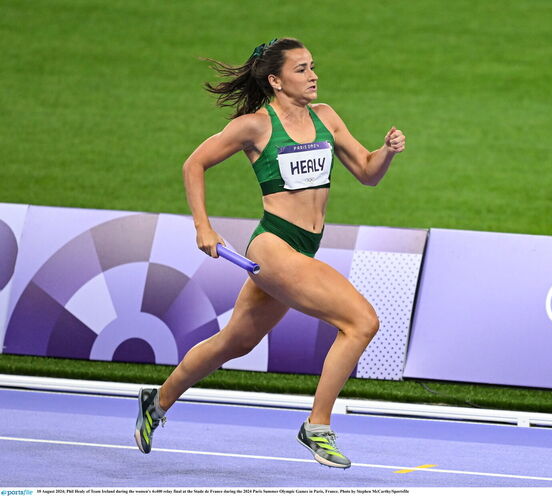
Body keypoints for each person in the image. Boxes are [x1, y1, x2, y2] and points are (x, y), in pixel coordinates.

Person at [134, 37, 405, 469]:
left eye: (313, 66)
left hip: (303, 247)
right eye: (301, 69)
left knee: (234, 343)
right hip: (275, 245)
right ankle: (317, 425)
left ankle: (158, 400)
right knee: (361, 322)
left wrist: (386, 152)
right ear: (276, 81)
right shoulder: (256, 126)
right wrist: (203, 225)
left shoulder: (327, 117)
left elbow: (368, 174)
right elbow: (194, 164)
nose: (313, 75)